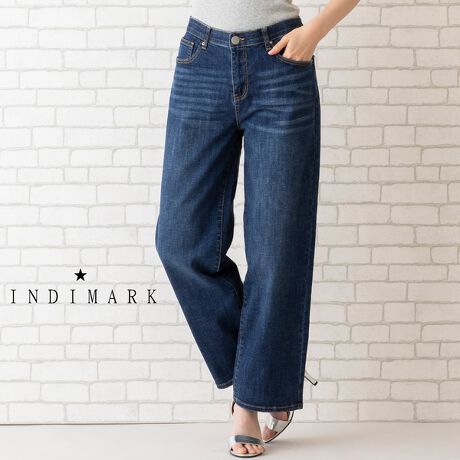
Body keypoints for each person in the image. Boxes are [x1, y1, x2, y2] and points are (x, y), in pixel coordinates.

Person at [155, 0, 360, 457]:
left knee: (276, 250)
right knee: (178, 243)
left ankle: (249, 402)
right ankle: (268, 373)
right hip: (201, 57)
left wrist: (314, 32)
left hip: (281, 60)